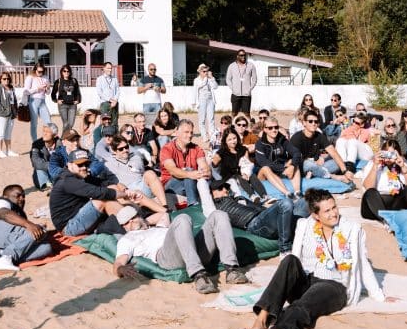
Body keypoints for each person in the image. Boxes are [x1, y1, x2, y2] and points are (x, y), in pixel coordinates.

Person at [230, 189, 387, 329]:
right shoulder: (304, 225)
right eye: (327, 211)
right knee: (289, 260)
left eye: (334, 207)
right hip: (308, 281)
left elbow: (363, 263)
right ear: (315, 215)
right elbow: (295, 259)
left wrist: (379, 295)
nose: (334, 213)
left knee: (303, 304)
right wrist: (286, 283)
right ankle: (260, 323)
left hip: (334, 286)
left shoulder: (352, 229)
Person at [113, 204, 250, 294]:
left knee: (219, 214)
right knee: (182, 218)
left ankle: (232, 269)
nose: (130, 224)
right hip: (167, 256)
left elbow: (163, 214)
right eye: (126, 223)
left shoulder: (158, 227)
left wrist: (145, 223)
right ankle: (199, 275)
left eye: (133, 218)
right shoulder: (127, 239)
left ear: (138, 216)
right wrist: (120, 269)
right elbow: (118, 262)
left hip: (193, 250)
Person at [49, 150, 129, 236]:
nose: (84, 167)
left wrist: (122, 187)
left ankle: (133, 217)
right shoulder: (67, 180)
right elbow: (98, 193)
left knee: (112, 188)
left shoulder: (80, 175)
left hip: (80, 216)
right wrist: (126, 194)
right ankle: (131, 222)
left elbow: (104, 183)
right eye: (79, 164)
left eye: (86, 164)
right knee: (102, 199)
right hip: (68, 227)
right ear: (69, 165)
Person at [204, 179, 294, 255]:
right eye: (220, 188)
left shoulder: (240, 198)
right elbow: (202, 187)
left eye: (226, 187)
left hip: (265, 218)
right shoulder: (217, 206)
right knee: (285, 203)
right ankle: (285, 249)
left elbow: (261, 209)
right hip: (254, 224)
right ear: (212, 193)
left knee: (302, 203)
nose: (225, 190)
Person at [101, 135, 170, 210]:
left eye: (126, 147)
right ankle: (164, 211)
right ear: (114, 151)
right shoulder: (109, 164)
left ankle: (165, 205)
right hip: (128, 193)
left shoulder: (136, 158)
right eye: (121, 149)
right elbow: (105, 181)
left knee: (150, 173)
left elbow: (142, 172)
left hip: (142, 185)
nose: (125, 150)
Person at [360, 140, 407, 216]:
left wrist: (402, 166)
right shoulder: (372, 164)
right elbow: (368, 187)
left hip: (394, 202)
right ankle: (386, 219)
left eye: (391, 154)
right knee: (370, 192)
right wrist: (375, 166)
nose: (388, 157)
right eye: (386, 153)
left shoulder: (402, 165)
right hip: (375, 203)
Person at [160, 119, 212, 207]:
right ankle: (193, 205)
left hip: (191, 182)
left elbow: (204, 165)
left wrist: (204, 171)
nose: (190, 135)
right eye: (186, 132)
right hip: (171, 185)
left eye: (191, 132)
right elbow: (172, 170)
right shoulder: (167, 149)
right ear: (177, 132)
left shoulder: (196, 148)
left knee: (205, 177)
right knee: (189, 171)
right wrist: (190, 174)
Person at [290, 110, 352, 183]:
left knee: (337, 163)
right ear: (304, 123)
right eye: (310, 121)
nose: (313, 124)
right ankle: (332, 176)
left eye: (316, 122)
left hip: (318, 165)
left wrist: (345, 171)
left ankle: (314, 173)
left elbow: (333, 153)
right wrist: (312, 162)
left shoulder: (319, 136)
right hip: (302, 166)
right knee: (308, 164)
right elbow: (294, 160)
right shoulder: (296, 138)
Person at [211, 127, 270, 203]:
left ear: (237, 137)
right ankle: (252, 195)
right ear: (225, 141)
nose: (233, 141)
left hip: (242, 173)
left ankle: (264, 196)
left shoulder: (243, 150)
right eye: (229, 139)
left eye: (234, 138)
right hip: (229, 178)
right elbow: (213, 168)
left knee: (251, 175)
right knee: (239, 176)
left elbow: (247, 165)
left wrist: (246, 173)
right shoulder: (221, 153)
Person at [255, 116, 302, 200]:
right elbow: (263, 163)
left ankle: (297, 193)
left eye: (276, 127)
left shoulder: (282, 140)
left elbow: (296, 152)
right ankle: (287, 193)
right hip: (264, 174)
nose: (274, 130)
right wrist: (284, 167)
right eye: (270, 128)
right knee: (266, 168)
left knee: (293, 162)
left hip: (280, 171)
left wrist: (292, 166)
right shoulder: (260, 143)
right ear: (264, 129)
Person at [23, 63, 52, 143]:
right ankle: (35, 142)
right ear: (35, 70)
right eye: (39, 71)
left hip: (43, 101)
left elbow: (48, 93)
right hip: (33, 101)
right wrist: (37, 89)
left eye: (42, 71)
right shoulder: (30, 77)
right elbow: (26, 91)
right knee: (34, 123)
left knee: (48, 121)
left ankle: (48, 140)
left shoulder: (45, 77)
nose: (41, 73)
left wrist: (47, 88)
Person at [0, 71, 19, 158]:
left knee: (8, 133)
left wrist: (16, 110)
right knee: (1, 133)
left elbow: (14, 100)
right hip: (2, 114)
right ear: (0, 79)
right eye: (4, 79)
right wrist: (2, 109)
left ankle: (9, 151)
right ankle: (0, 151)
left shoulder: (11, 88)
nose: (6, 80)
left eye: (8, 78)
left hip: (11, 113)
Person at [226, 49, 257, 117]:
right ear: (237, 56)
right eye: (241, 55)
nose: (243, 57)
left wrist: (249, 89)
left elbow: (254, 79)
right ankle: (233, 127)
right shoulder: (231, 66)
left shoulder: (251, 65)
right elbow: (228, 79)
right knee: (234, 113)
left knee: (247, 114)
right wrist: (233, 89)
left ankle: (247, 127)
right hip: (235, 94)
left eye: (244, 55)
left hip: (246, 95)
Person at [51, 64, 81, 132]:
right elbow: (53, 93)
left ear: (70, 72)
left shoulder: (74, 80)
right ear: (62, 72)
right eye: (64, 71)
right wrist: (56, 100)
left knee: (71, 124)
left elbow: (77, 92)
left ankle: (64, 139)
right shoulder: (58, 81)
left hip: (72, 105)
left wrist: (78, 100)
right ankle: (63, 140)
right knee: (65, 124)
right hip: (62, 105)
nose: (66, 72)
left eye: (68, 71)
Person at [31, 123, 60, 190]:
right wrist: (52, 165)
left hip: (57, 173)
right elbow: (35, 162)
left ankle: (55, 184)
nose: (44, 134)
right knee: (39, 167)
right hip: (42, 177)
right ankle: (48, 185)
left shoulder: (61, 144)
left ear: (55, 135)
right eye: (44, 131)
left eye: (47, 132)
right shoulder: (36, 144)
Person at [193, 63, 218, 142]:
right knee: (202, 119)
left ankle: (212, 135)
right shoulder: (197, 80)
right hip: (201, 100)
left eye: (206, 71)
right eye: (204, 71)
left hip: (210, 99)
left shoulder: (209, 78)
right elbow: (200, 86)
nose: (206, 73)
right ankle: (204, 136)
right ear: (200, 72)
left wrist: (212, 78)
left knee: (211, 119)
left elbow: (215, 86)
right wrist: (195, 102)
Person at [138, 63, 166, 127]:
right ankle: (148, 135)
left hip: (157, 103)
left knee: (158, 121)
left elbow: (164, 91)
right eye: (151, 69)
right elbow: (138, 91)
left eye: (154, 69)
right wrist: (146, 87)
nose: (153, 70)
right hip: (146, 103)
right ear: (148, 70)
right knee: (146, 121)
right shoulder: (143, 79)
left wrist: (159, 89)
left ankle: (157, 135)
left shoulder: (159, 79)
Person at [96, 62, 120, 131]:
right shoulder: (100, 79)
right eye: (108, 68)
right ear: (103, 68)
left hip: (115, 103)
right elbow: (100, 93)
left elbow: (118, 91)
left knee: (115, 122)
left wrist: (115, 100)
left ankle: (115, 139)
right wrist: (110, 99)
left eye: (111, 68)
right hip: (105, 104)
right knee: (105, 122)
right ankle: (105, 138)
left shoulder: (114, 79)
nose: (110, 70)